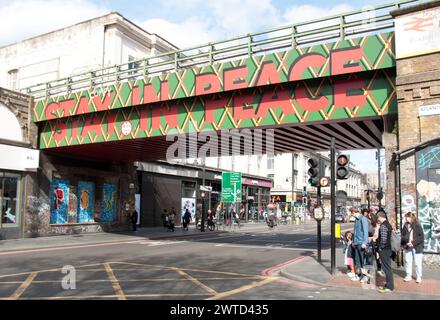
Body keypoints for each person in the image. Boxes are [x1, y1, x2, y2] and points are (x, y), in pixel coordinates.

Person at [401, 212, 424, 283]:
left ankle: (419, 277)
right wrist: (403, 244)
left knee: (417, 263)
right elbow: (403, 235)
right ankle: (408, 275)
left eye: (407, 217)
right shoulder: (405, 225)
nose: (406, 218)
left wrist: (413, 243)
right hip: (407, 246)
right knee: (408, 261)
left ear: (411, 217)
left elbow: (421, 237)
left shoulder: (417, 225)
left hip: (416, 247)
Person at [350, 207, 369, 283]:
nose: (351, 214)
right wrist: (354, 242)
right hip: (357, 242)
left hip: (361, 243)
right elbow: (356, 232)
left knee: (362, 261)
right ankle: (358, 275)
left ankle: (365, 276)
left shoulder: (362, 219)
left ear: (353, 212)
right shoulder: (357, 220)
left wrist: (365, 242)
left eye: (351, 213)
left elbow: (365, 231)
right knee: (357, 260)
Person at [376, 211, 394, 293]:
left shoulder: (383, 226)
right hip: (388, 249)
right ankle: (388, 284)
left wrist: (380, 248)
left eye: (378, 218)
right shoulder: (388, 224)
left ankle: (390, 286)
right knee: (387, 268)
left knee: (387, 268)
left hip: (384, 250)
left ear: (380, 217)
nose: (377, 219)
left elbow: (383, 240)